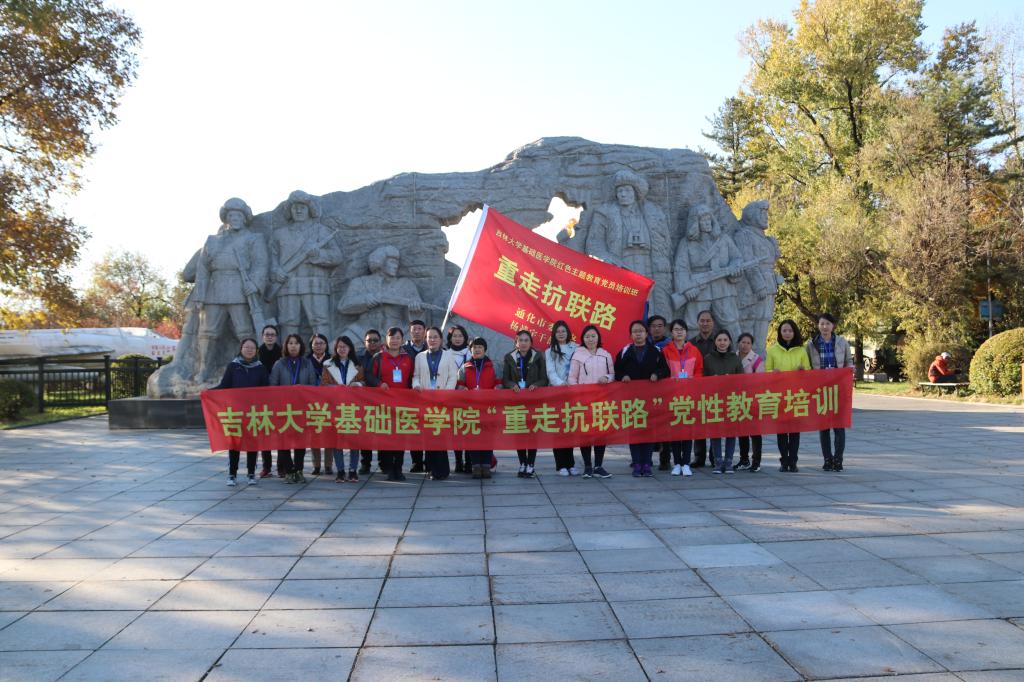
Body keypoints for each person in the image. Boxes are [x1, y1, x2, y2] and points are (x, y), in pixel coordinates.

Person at [267, 190, 343, 340]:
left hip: (315, 284)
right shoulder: (279, 234)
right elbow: (271, 259)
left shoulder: (321, 231)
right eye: (295, 207)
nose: (298, 211)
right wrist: (275, 271)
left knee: (320, 322)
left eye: (302, 207)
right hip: (287, 285)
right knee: (288, 323)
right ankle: (288, 353)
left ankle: (324, 354)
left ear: (309, 209)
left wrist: (318, 254)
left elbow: (337, 256)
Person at [614, 320, 670, 477]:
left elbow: (665, 370)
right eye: (635, 331)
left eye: (641, 331)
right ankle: (637, 463)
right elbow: (616, 371)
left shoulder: (656, 351)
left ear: (646, 333)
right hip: (631, 399)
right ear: (631, 335)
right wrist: (623, 376)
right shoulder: (625, 351)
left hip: (650, 398)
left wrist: (657, 374)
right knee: (634, 432)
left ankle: (647, 463)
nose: (638, 334)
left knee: (649, 431)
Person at [215, 338, 269, 485]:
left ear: (256, 350)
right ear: (241, 349)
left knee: (252, 444)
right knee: (234, 444)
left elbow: (266, 389)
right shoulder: (233, 366)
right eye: (247, 347)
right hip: (236, 411)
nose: (249, 350)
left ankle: (251, 474)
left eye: (252, 348)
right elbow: (224, 385)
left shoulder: (260, 367)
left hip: (253, 412)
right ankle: (232, 474)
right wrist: (209, 392)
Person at [806, 313, 854, 472]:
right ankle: (827, 459)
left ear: (833, 326)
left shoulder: (842, 342)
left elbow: (848, 361)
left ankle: (838, 460)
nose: (824, 327)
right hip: (821, 390)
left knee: (839, 426)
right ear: (818, 326)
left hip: (838, 389)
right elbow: (808, 366)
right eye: (822, 324)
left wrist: (849, 371)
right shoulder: (811, 344)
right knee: (824, 427)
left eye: (827, 324)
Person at [269, 333, 319, 483]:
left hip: (301, 409)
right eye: (290, 343)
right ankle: (289, 471)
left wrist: (301, 390)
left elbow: (312, 385)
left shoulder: (307, 363)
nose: (293, 346)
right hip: (283, 409)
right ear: (286, 346)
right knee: (283, 441)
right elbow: (273, 386)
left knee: (300, 442)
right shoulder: (279, 364)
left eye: (296, 343)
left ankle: (299, 470)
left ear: (300, 346)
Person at [568, 324, 615, 478]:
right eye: (587, 336)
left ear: (598, 338)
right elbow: (572, 378)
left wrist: (607, 378)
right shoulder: (577, 355)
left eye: (593, 336)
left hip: (602, 400)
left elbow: (612, 374)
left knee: (601, 433)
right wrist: (577, 395)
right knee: (586, 433)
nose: (590, 339)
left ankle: (599, 466)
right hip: (584, 400)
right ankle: (588, 466)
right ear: (583, 339)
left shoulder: (605, 355)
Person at [369, 326, 415, 481]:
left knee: (400, 438)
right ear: (386, 339)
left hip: (403, 404)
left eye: (397, 338)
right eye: (391, 337)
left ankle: (398, 469)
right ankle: (388, 468)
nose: (394, 340)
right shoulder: (378, 357)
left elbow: (412, 378)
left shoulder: (408, 357)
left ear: (402, 340)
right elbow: (369, 376)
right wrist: (378, 383)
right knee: (386, 437)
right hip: (384, 405)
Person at [502, 330, 549, 478]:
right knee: (520, 432)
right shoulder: (509, 357)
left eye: (526, 340)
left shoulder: (538, 356)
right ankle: (522, 463)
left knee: (533, 432)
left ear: (531, 343)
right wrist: (512, 385)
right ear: (516, 343)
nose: (523, 343)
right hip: (516, 402)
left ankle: (531, 464)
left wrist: (536, 385)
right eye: (520, 340)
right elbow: (505, 379)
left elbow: (544, 379)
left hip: (534, 400)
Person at [413, 326, 458, 480]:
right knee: (428, 435)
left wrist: (446, 393)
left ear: (441, 339)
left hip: (442, 401)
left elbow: (453, 376)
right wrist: (416, 385)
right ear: (425, 339)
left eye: (435, 337)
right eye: (429, 337)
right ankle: (431, 469)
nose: (432, 340)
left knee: (440, 434)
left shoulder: (448, 355)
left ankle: (442, 470)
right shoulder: (420, 356)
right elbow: (416, 375)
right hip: (426, 400)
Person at [765, 320, 810, 472]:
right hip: (779, 397)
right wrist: (773, 373)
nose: (787, 333)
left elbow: (809, 372)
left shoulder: (801, 351)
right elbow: (766, 371)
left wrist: (803, 371)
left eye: (790, 330)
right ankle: (784, 461)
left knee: (795, 432)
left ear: (794, 332)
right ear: (780, 332)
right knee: (782, 431)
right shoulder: (772, 351)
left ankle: (793, 461)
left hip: (796, 397)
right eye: (784, 330)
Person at [661, 319, 703, 476]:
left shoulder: (694, 350)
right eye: (676, 329)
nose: (679, 332)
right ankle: (677, 463)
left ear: (686, 332)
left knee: (687, 431)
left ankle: (686, 463)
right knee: (675, 431)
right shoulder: (666, 351)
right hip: (672, 397)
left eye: (682, 329)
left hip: (689, 396)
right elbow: (663, 371)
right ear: (671, 333)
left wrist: (693, 381)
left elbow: (699, 370)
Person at [456, 337, 502, 478]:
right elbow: (459, 386)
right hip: (471, 409)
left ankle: (486, 466)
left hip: (489, 408)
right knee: (473, 437)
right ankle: (476, 466)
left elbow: (499, 385)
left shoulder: (493, 366)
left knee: (488, 437)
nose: (477, 350)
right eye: (474, 347)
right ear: (470, 350)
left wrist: (493, 391)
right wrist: (464, 390)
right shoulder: (465, 367)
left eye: (480, 347)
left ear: (485, 350)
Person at [322, 335, 365, 482]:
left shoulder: (357, 365)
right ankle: (340, 470)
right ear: (335, 349)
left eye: (344, 347)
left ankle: (353, 470)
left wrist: (357, 385)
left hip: (353, 407)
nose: (342, 349)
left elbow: (363, 382)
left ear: (350, 348)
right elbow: (324, 384)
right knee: (336, 440)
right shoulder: (327, 365)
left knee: (354, 439)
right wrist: (337, 388)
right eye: (339, 347)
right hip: (335, 406)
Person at [703, 330, 744, 475]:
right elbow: (702, 379)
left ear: (729, 342)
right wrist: (712, 380)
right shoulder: (708, 359)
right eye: (719, 340)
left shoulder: (735, 358)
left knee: (731, 431)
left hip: (731, 400)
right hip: (714, 400)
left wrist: (730, 380)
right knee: (715, 431)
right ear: (715, 342)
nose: (722, 343)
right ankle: (718, 461)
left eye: (725, 340)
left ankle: (728, 461)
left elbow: (742, 380)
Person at [546, 320, 579, 477]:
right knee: (558, 430)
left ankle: (571, 463)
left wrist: (572, 384)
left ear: (568, 333)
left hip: (573, 393)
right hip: (557, 394)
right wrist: (561, 383)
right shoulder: (549, 351)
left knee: (570, 429)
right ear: (554, 334)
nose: (561, 334)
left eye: (563, 331)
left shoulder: (576, 348)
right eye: (558, 331)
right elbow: (550, 372)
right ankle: (561, 465)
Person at [688, 310, 717, 467]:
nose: (705, 323)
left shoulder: (719, 340)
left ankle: (714, 456)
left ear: (713, 323)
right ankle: (699, 457)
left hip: (715, 389)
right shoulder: (691, 343)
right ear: (697, 322)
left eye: (708, 321)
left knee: (714, 422)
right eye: (702, 320)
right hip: (697, 388)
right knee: (698, 422)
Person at [735, 332, 765, 472]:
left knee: (755, 432)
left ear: (751, 345)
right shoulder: (733, 357)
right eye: (743, 342)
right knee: (742, 431)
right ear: (738, 343)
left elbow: (760, 381)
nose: (745, 345)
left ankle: (756, 461)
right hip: (738, 400)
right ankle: (744, 459)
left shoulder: (757, 359)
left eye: (748, 343)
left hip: (753, 400)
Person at [446, 324, 472, 473]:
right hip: (451, 396)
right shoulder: (445, 353)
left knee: (468, 428)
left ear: (465, 338)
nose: (457, 338)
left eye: (460, 336)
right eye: (454, 336)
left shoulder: (470, 353)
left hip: (468, 397)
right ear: (450, 338)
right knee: (456, 430)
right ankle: (458, 461)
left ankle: (469, 460)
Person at [356, 329, 382, 475]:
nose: (372, 343)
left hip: (383, 400)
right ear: (364, 342)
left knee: (383, 432)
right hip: (364, 401)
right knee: (365, 433)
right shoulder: (358, 358)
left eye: (375, 340)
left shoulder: (385, 356)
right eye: (369, 340)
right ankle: (365, 463)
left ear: (380, 342)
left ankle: (384, 463)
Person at [404, 319, 428, 472]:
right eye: (414, 329)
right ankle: (416, 461)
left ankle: (430, 460)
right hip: (409, 394)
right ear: (410, 331)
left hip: (429, 394)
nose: (417, 331)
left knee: (430, 427)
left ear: (425, 331)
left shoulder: (432, 347)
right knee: (414, 428)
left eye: (420, 329)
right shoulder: (403, 349)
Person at [257, 324, 281, 478]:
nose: (270, 337)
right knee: (265, 433)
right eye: (267, 334)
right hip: (261, 398)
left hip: (279, 398)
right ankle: (266, 467)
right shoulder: (256, 353)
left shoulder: (282, 352)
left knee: (281, 432)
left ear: (276, 337)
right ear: (262, 336)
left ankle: (282, 466)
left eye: (272, 334)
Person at [307, 332, 330, 476]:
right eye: (316, 343)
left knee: (329, 433)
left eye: (322, 343)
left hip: (329, 402)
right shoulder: (306, 361)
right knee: (314, 434)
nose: (319, 346)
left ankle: (328, 465)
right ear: (311, 345)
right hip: (311, 402)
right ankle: (316, 465)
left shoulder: (332, 360)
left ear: (326, 345)